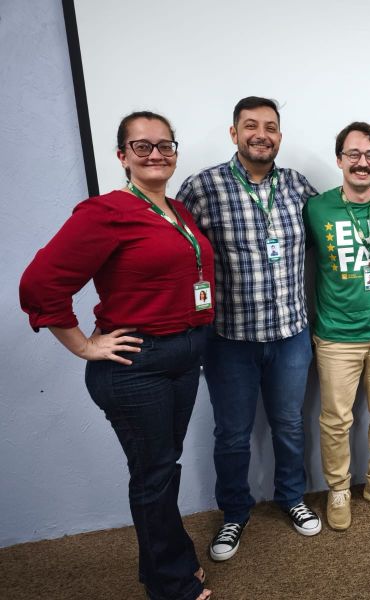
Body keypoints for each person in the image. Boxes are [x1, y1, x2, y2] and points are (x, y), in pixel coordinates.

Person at [20, 111, 214, 600]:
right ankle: (170, 585)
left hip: (184, 358)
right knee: (154, 476)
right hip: (137, 367)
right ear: (122, 156)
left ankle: (167, 565)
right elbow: (40, 284)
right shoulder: (105, 212)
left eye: (165, 145)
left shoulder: (176, 210)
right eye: (142, 146)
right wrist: (85, 345)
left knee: (163, 469)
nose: (156, 154)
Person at [177, 97, 321, 561]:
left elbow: (333, 236)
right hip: (229, 341)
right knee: (233, 434)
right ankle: (234, 514)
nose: (262, 134)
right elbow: (177, 256)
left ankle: (292, 497)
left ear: (280, 135)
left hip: (291, 333)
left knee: (289, 425)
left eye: (271, 127)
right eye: (252, 125)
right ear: (233, 131)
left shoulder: (299, 186)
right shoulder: (202, 188)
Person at [304, 121, 370, 530]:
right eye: (353, 155)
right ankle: (338, 489)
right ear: (339, 160)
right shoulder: (316, 208)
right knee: (336, 419)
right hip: (336, 336)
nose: (361, 163)